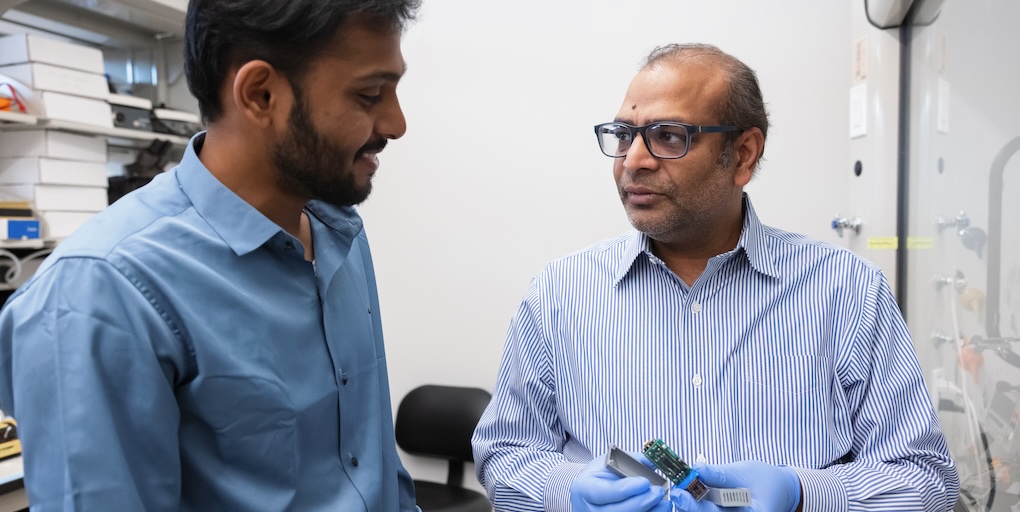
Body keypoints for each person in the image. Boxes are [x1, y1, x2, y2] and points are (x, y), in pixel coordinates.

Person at [471, 43, 959, 512]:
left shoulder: (848, 292)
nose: (634, 161)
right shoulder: (560, 292)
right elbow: (506, 454)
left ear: (743, 154)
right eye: (624, 135)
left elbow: (926, 481)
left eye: (668, 135)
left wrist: (802, 494)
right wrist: (570, 491)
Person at [0, 0, 421, 510]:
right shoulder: (102, 293)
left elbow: (374, 472)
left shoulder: (339, 235)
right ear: (260, 93)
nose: (396, 124)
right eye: (370, 95)